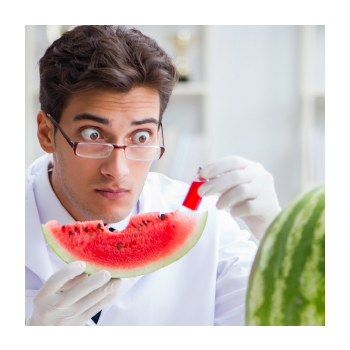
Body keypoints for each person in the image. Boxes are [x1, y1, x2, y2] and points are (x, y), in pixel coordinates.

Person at [25, 25, 281, 326]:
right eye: (93, 135)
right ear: (46, 133)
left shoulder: (206, 226)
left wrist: (281, 233)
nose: (118, 169)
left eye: (141, 137)